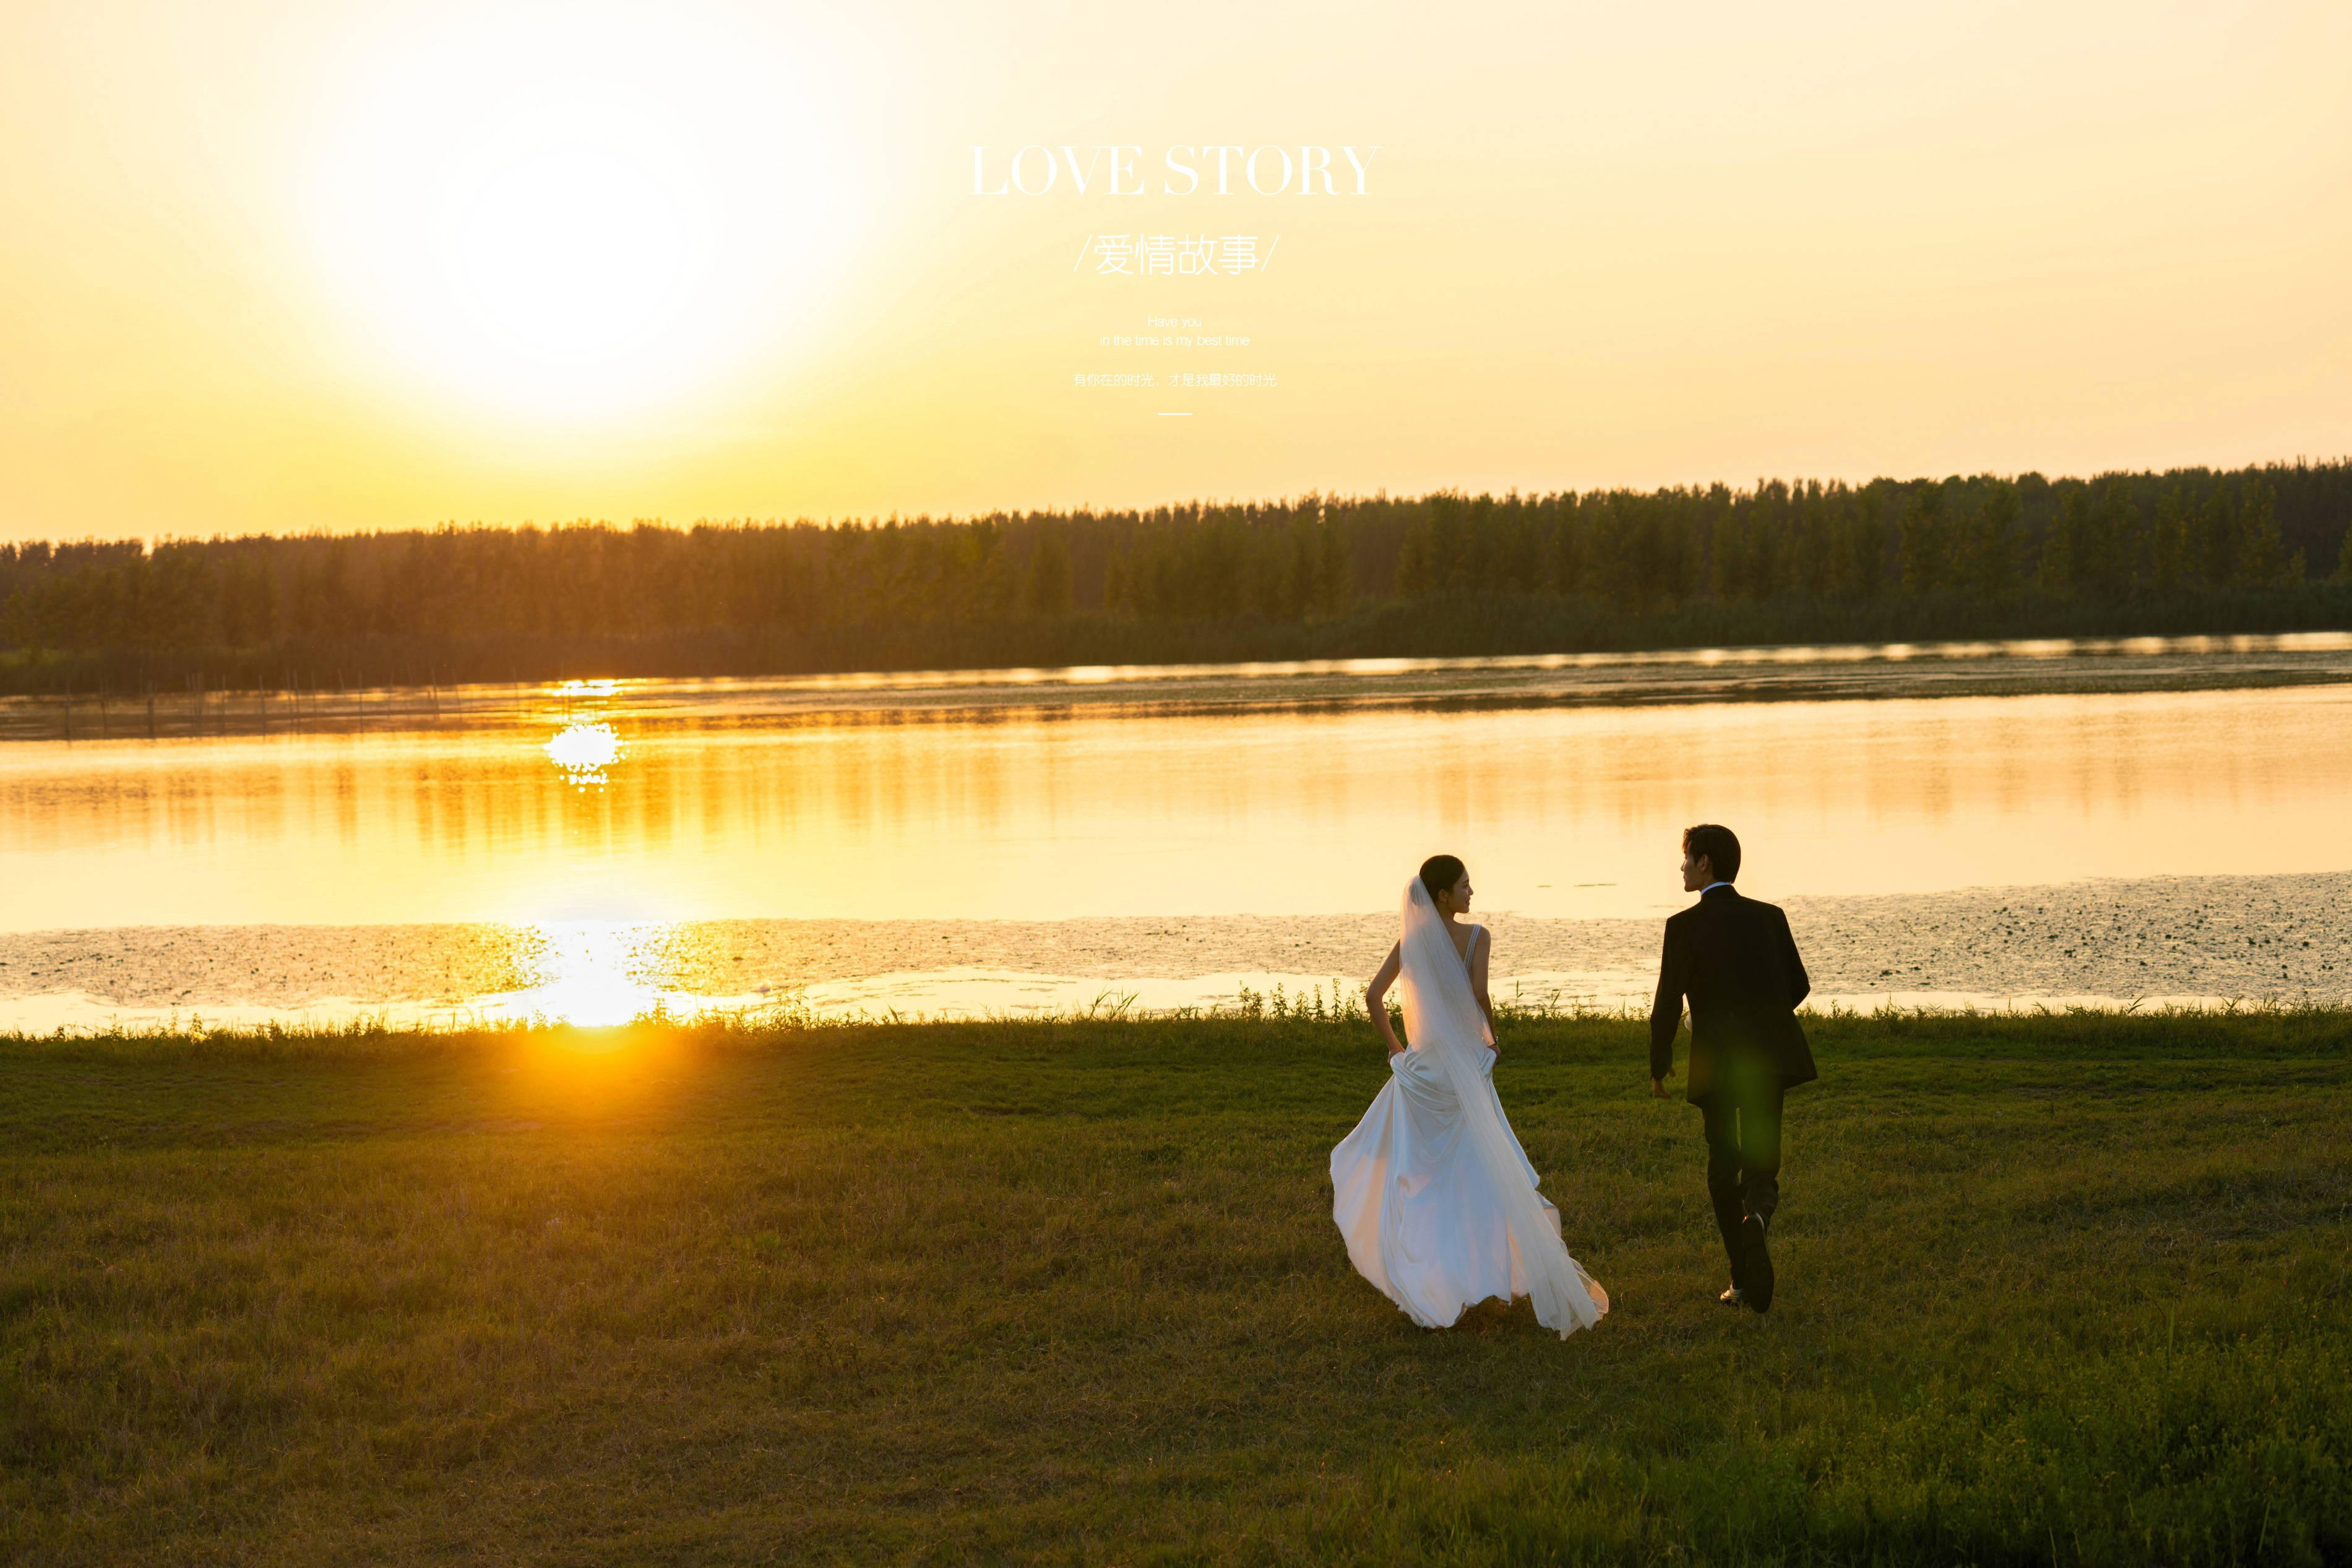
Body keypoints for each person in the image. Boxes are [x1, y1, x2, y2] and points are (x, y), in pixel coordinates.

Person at [1329, 855, 1608, 1337]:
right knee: (1479, 1168)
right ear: (1442, 895)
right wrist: (1493, 1042)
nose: (1471, 892)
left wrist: (1397, 1050)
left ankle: (1435, 1280)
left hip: (1424, 1069)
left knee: (1426, 1177)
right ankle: (1486, 1271)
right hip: (1464, 1064)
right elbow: (1479, 994)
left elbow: (1373, 996)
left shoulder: (1412, 942)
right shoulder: (1476, 937)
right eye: (1463, 885)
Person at [1648, 824, 1816, 1313]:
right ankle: (1757, 1219)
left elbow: (1665, 1004)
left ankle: (1741, 1278)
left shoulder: (1682, 926)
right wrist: (1761, 1013)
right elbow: (1798, 986)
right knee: (1763, 1159)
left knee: (1724, 1165)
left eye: (1685, 858)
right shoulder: (1770, 916)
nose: (1680, 866)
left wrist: (1660, 1063)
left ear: (1705, 863)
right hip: (1768, 1058)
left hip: (1718, 1062)